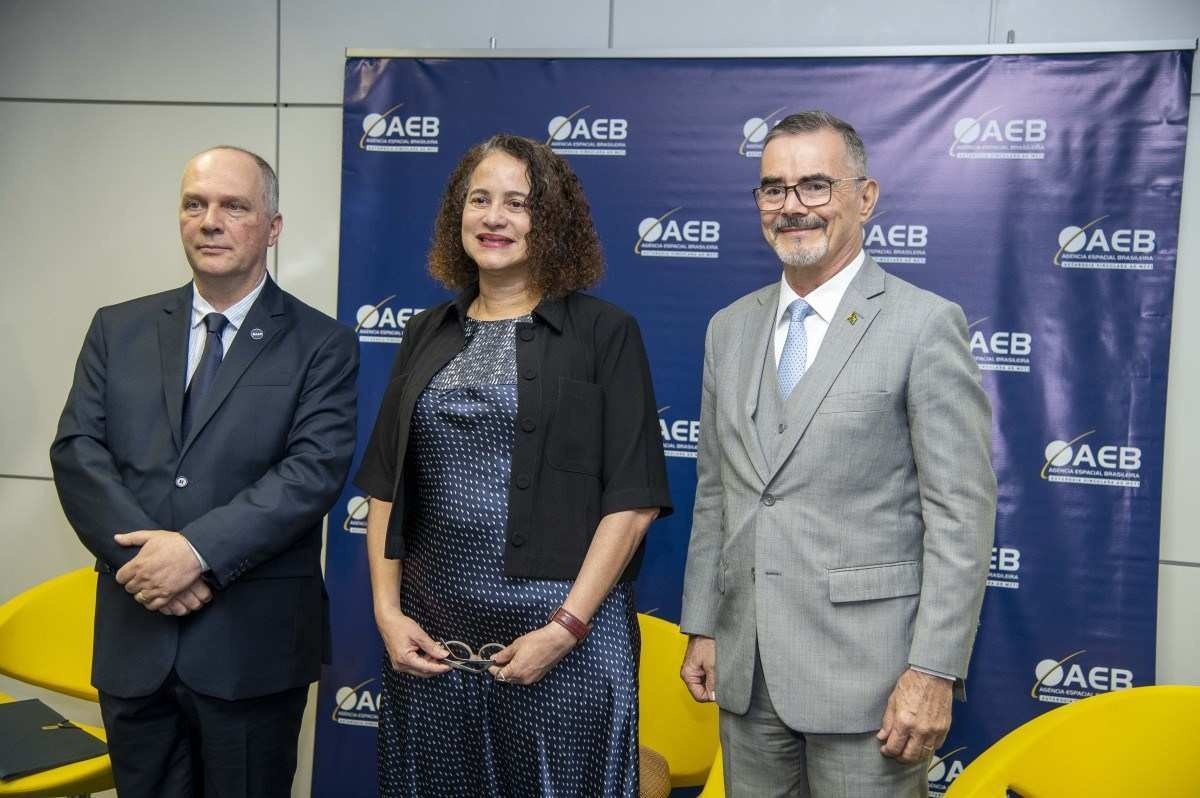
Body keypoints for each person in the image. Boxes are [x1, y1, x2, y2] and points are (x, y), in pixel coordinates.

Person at [679, 111, 997, 797]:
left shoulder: (922, 325)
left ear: (866, 197)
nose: (792, 206)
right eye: (773, 189)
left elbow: (960, 514)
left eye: (815, 186)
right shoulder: (727, 330)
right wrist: (704, 625)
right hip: (748, 674)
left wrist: (934, 670)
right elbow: (717, 491)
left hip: (874, 686)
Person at [354, 133, 672, 797]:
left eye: (518, 204)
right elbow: (386, 482)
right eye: (479, 199)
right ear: (457, 216)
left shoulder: (604, 333)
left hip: (568, 640)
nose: (494, 217)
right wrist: (387, 611)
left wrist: (565, 629)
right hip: (434, 644)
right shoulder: (424, 332)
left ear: (550, 223)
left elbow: (634, 499)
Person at [50, 146, 358, 798]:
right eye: (196, 204)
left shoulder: (322, 344)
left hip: (252, 651)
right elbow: (77, 452)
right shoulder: (118, 328)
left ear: (272, 227)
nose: (210, 221)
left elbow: (311, 472)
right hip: (138, 640)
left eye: (233, 206)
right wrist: (150, 562)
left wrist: (194, 553)